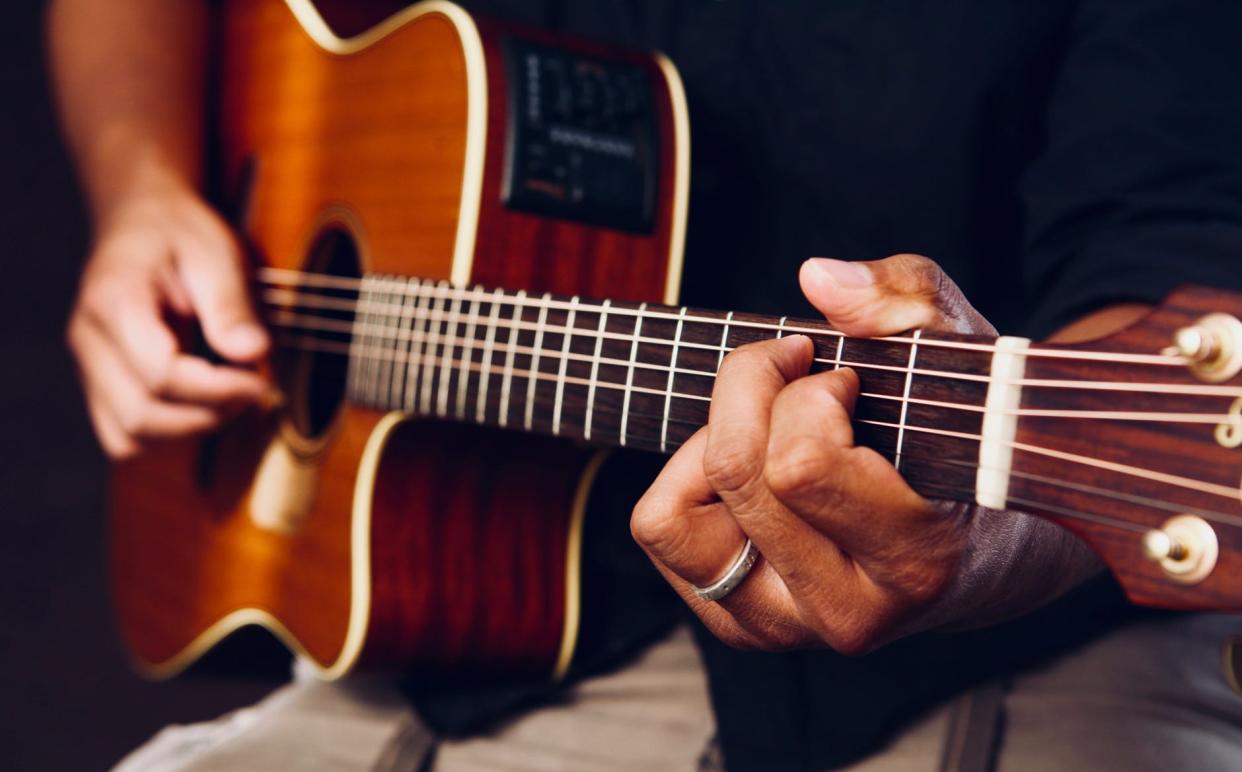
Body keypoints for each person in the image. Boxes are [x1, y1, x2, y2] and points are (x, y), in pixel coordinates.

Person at [51, 0, 1242, 769]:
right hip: (448, 637)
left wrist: (989, 541)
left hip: (1007, 650)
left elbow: (1175, 268)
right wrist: (142, 190)